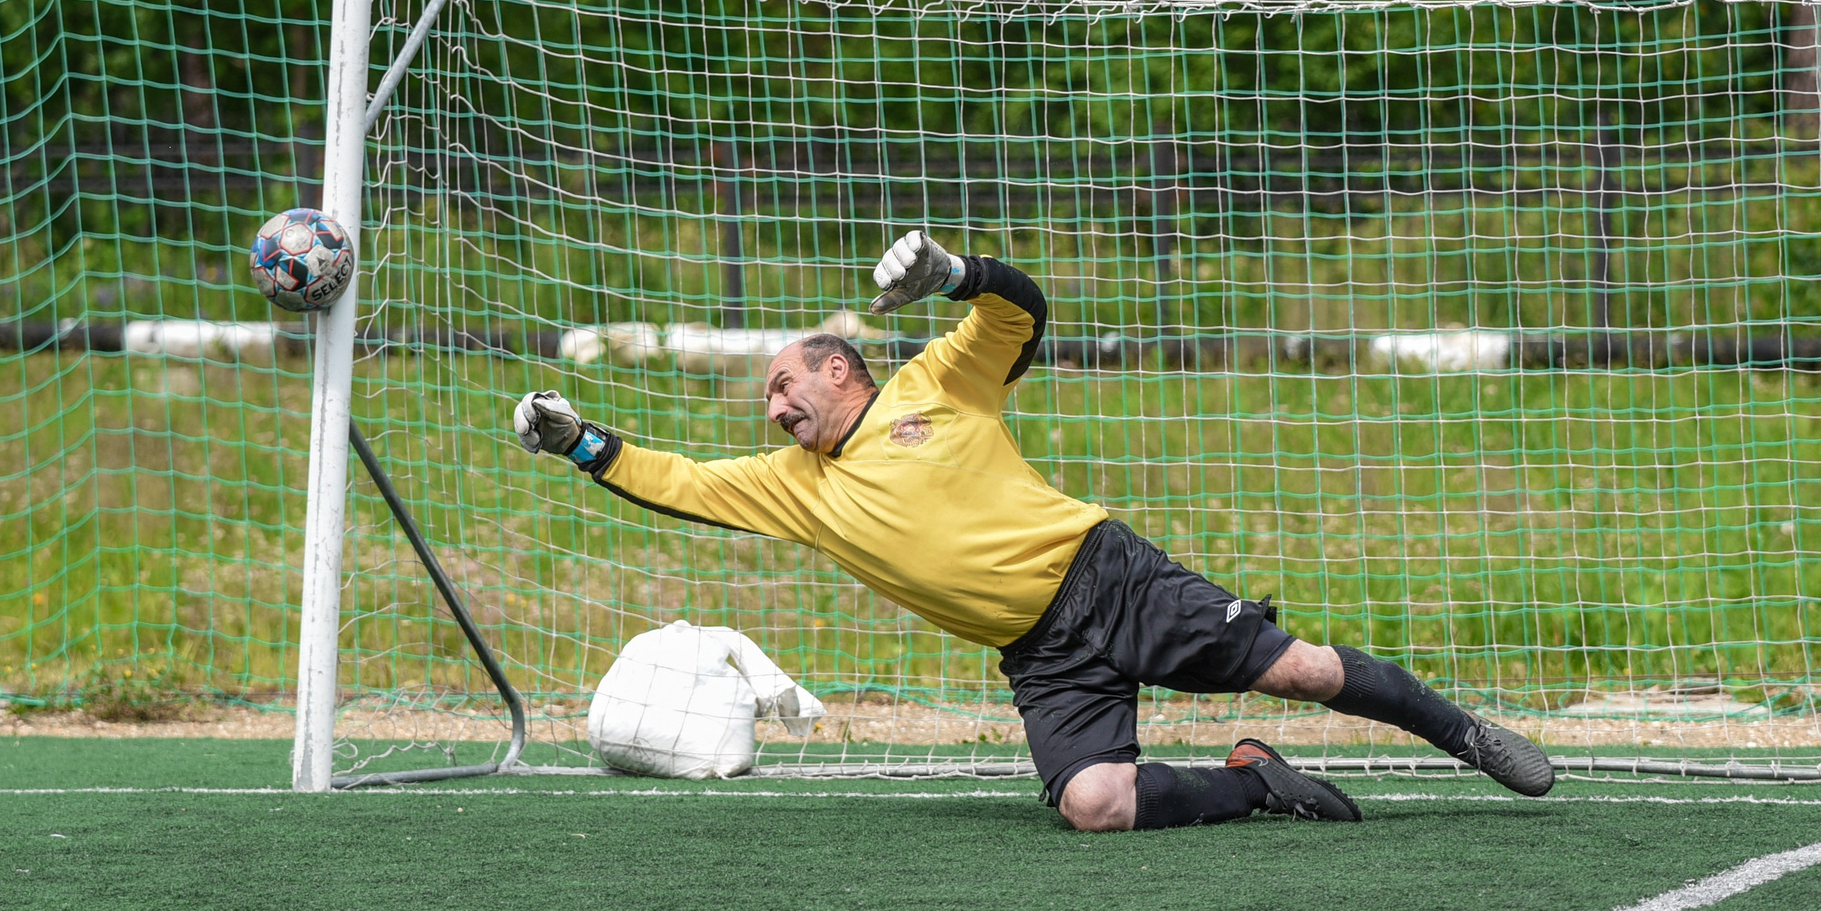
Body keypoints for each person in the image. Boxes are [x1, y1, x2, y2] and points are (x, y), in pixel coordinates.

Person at [514, 231, 1554, 831]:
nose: (774, 407)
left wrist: (957, 273)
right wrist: (580, 442)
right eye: (768, 398)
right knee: (1093, 805)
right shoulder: (794, 484)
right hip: (1042, 655)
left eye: (785, 384)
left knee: (1306, 670)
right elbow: (680, 481)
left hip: (1108, 579)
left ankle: (1465, 736)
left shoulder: (934, 381)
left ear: (840, 368)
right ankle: (1258, 784)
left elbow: (1020, 314)